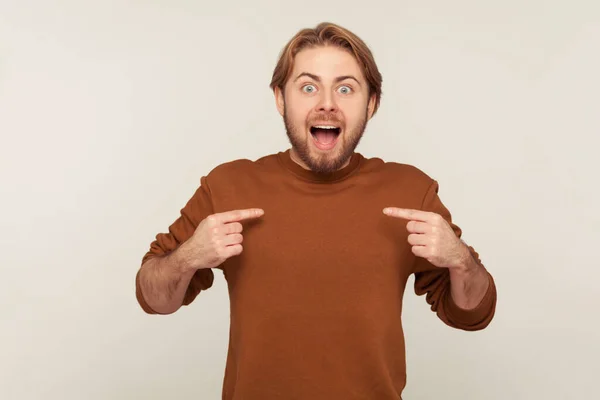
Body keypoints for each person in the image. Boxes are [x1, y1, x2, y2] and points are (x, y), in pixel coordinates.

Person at [135, 21, 497, 400]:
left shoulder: (411, 191)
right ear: (280, 99)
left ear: (371, 104)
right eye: (308, 87)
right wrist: (188, 256)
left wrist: (461, 261)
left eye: (346, 88)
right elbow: (156, 298)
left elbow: (471, 313)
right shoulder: (227, 186)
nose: (327, 103)